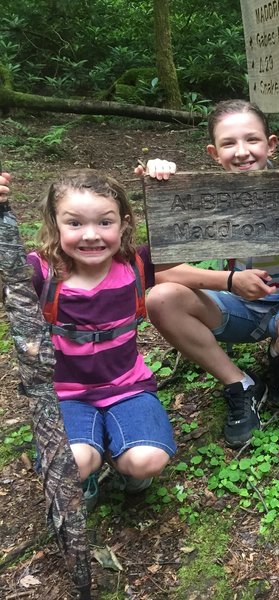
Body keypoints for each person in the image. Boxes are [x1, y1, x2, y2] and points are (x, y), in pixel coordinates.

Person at [139, 100, 279, 448]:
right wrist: (230, 281)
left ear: (271, 144)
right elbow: (164, 275)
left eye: (252, 140)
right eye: (228, 143)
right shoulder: (203, 195)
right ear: (213, 152)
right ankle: (240, 383)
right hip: (237, 304)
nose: (242, 152)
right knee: (161, 299)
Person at [28, 169, 176, 509]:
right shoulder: (42, 272)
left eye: (105, 223)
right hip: (66, 395)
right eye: (75, 223)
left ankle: (122, 459)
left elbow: (185, 234)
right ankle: (88, 467)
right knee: (74, 462)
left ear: (123, 224)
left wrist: (162, 182)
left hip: (128, 388)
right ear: (55, 224)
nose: (91, 235)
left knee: (146, 459)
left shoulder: (136, 265)